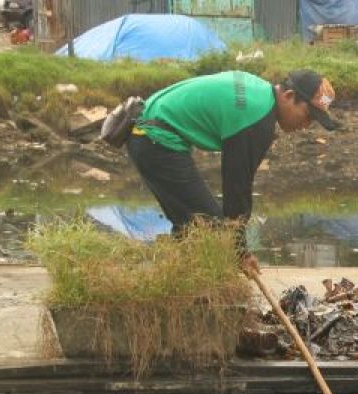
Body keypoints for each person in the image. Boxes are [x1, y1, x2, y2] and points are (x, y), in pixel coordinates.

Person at [127, 69, 339, 273]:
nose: (306, 125)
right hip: (155, 138)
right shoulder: (257, 118)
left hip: (146, 130)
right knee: (209, 227)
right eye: (308, 115)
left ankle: (183, 283)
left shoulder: (258, 92)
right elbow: (237, 188)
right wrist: (240, 251)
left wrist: (237, 246)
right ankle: (197, 285)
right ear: (289, 96)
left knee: (192, 224)